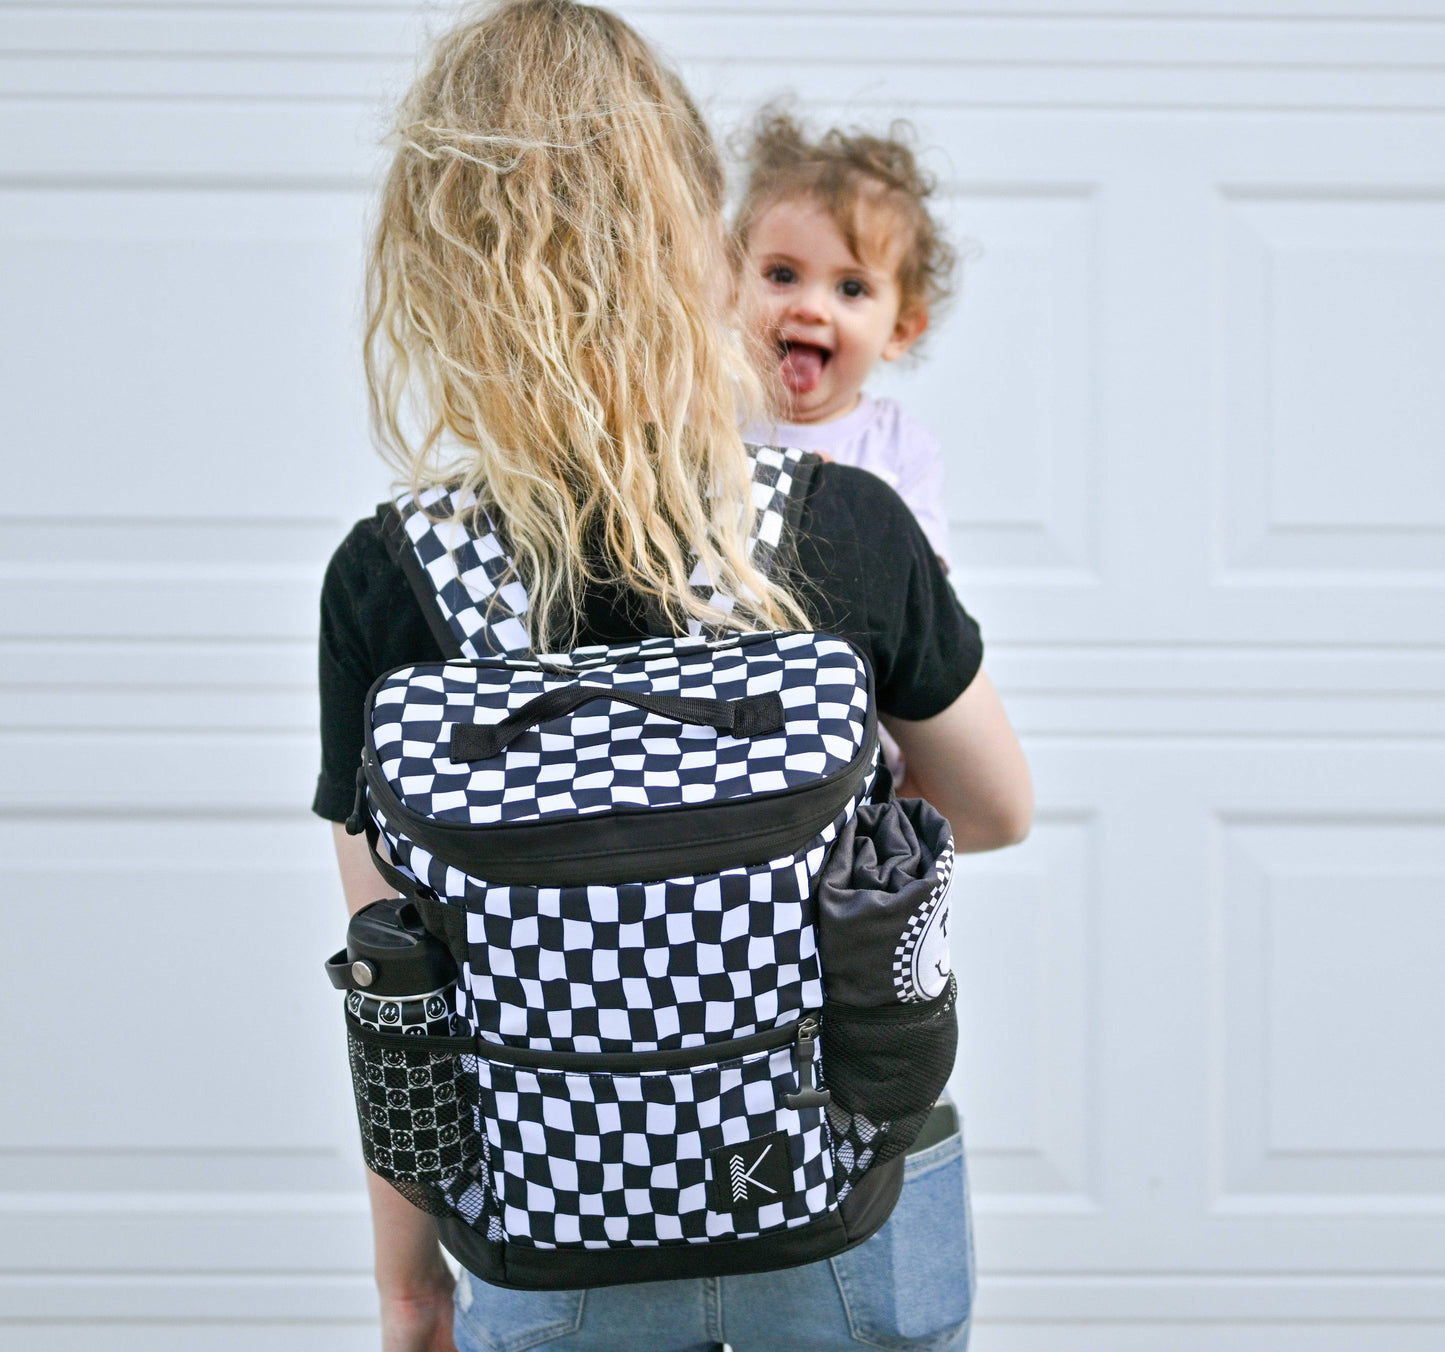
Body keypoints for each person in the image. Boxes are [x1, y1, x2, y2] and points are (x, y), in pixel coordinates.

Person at [312, 4, 1032, 1349]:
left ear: (434, 263)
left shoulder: (390, 578)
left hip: (548, 1219)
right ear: (690, 240)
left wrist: (411, 1293)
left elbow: (397, 984)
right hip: (845, 1188)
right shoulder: (841, 522)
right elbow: (996, 811)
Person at [735, 108, 955, 569]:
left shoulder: (898, 445)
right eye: (782, 274)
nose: (810, 308)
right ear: (732, 286)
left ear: (898, 331)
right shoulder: (706, 419)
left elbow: (921, 591)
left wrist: (845, 509)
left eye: (851, 288)